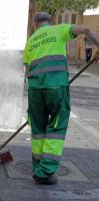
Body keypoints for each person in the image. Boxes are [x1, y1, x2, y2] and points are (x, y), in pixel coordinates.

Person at [23, 12, 99, 185]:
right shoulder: (58, 29)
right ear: (49, 22)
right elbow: (86, 29)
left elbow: (27, 72)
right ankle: (45, 172)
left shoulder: (31, 41)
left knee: (38, 130)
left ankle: (38, 167)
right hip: (56, 86)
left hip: (35, 90)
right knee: (56, 127)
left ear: (35, 24)